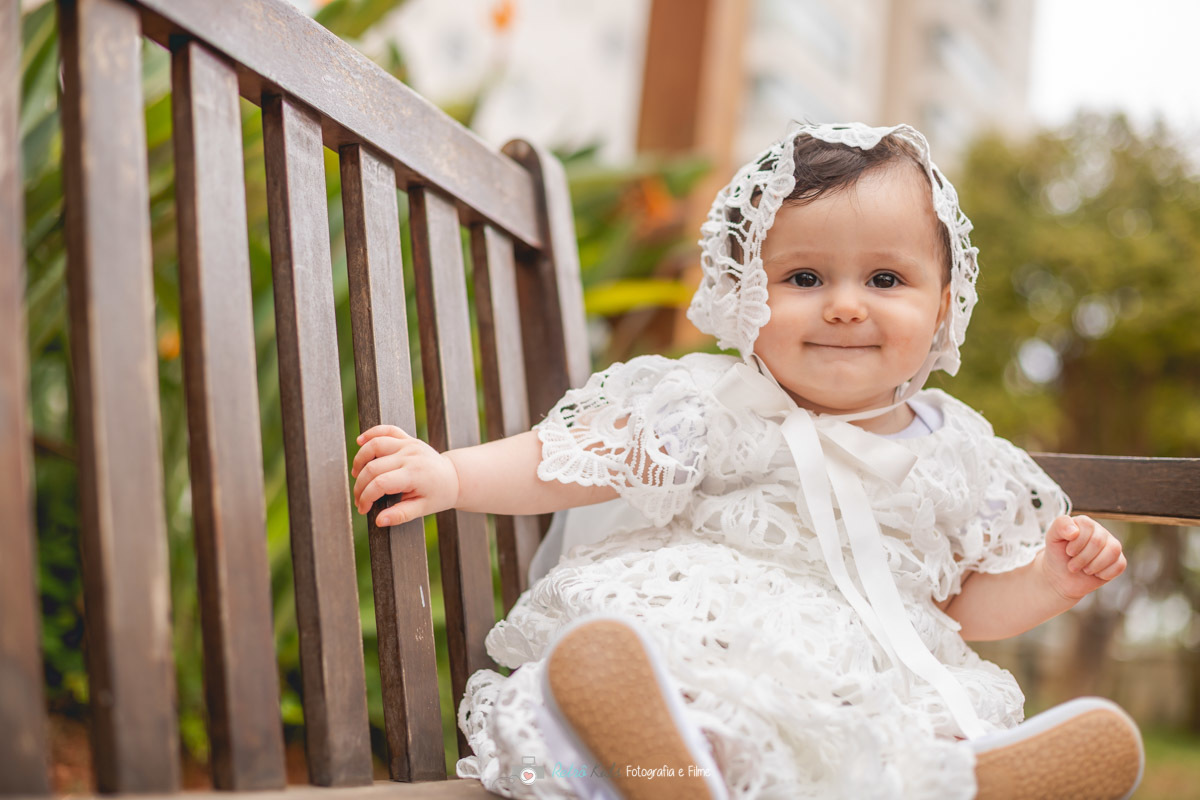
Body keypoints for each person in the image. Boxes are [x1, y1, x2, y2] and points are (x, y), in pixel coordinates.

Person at [349, 122, 1145, 800]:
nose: (844, 304)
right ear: (743, 294)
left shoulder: (957, 448)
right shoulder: (714, 401)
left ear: (941, 305)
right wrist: (453, 475)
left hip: (871, 672)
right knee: (685, 702)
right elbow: (572, 461)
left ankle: (963, 778)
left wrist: (1047, 581)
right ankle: (671, 764)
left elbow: (963, 606)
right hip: (716, 634)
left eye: (885, 278)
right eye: (804, 277)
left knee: (899, 738)